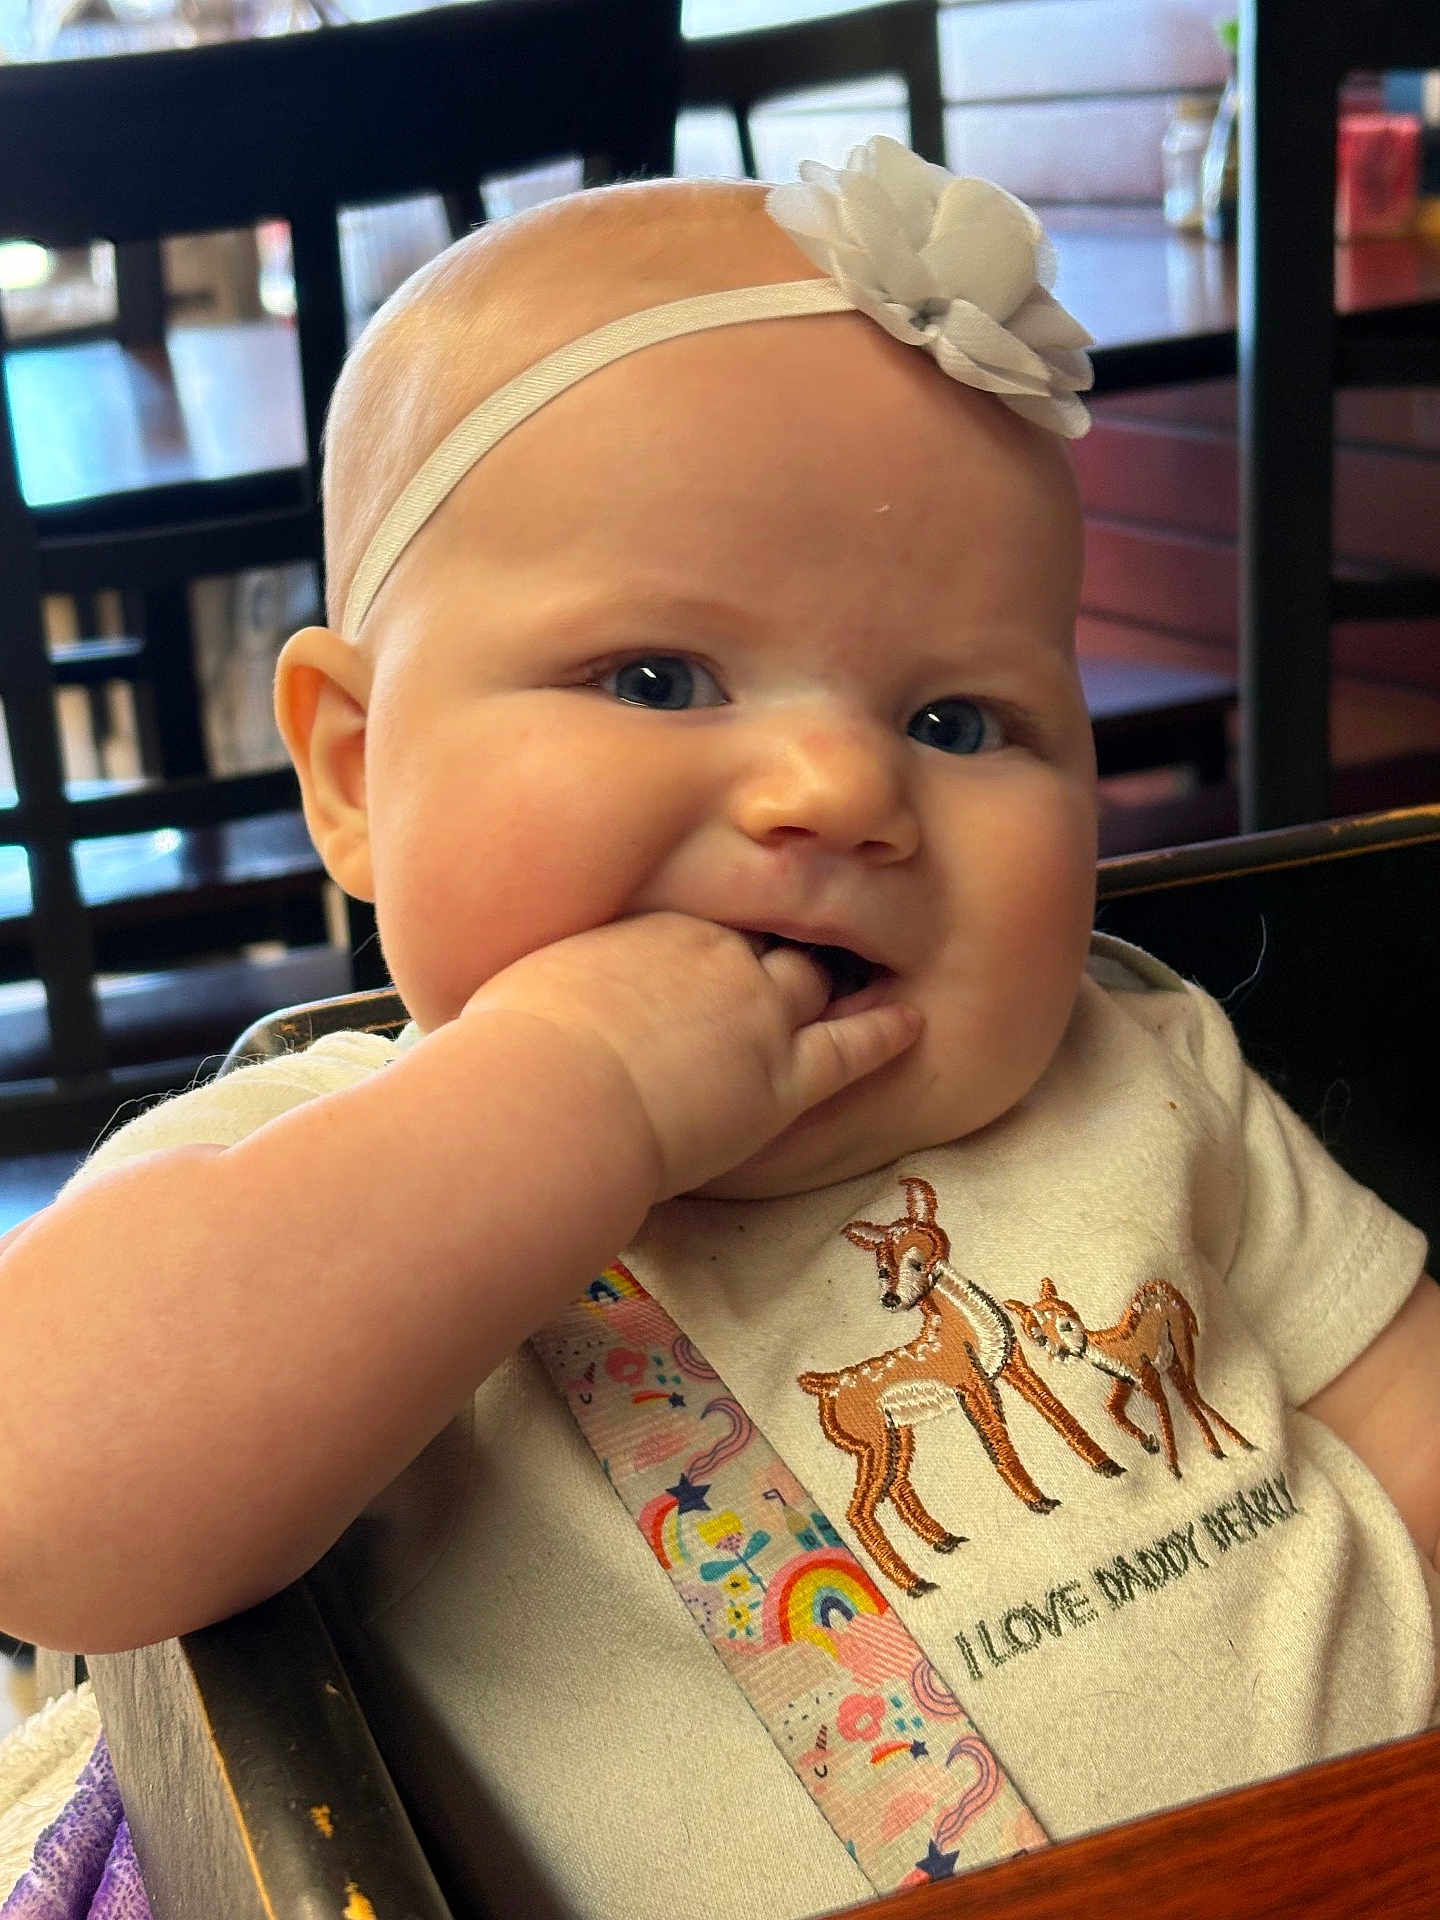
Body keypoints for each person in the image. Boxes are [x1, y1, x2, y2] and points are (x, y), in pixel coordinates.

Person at [0, 139, 1437, 1920]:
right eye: (658, 680)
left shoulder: (1135, 1064)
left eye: (959, 722)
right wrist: (573, 1090)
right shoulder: (327, 1171)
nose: (839, 790)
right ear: (360, 773)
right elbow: (45, 1500)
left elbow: (1413, 1439)